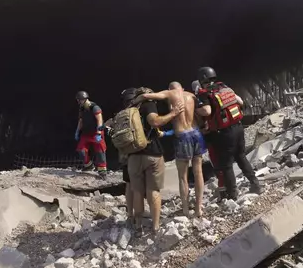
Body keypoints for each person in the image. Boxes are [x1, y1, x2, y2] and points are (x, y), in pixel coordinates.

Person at [139, 82, 206, 217]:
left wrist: (138, 98)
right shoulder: (191, 96)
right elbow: (200, 115)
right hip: (196, 134)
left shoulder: (170, 93)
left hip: (182, 136)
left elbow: (147, 95)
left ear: (170, 89)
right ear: (182, 88)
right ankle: (199, 209)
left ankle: (186, 210)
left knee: (183, 177)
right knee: (198, 172)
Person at [121, 87, 179, 236]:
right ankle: (155, 227)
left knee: (137, 191)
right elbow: (154, 121)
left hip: (133, 156)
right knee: (153, 190)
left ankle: (138, 226)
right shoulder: (148, 105)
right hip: (152, 153)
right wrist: (173, 114)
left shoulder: (128, 110)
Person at [196, 67, 260, 200]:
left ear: (202, 80)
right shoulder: (224, 87)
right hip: (238, 127)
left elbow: (207, 111)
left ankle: (232, 194)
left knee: (226, 165)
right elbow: (240, 101)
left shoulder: (205, 93)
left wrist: (196, 110)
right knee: (241, 157)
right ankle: (256, 184)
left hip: (225, 133)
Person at [74, 91, 107, 178]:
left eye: (79, 100)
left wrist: (99, 132)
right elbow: (81, 121)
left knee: (100, 151)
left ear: (84, 99)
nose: (78, 102)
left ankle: (102, 171)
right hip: (86, 133)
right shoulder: (81, 108)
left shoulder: (94, 107)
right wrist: (77, 131)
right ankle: (88, 165)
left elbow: (99, 119)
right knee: (81, 149)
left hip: (96, 132)